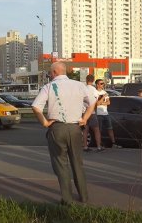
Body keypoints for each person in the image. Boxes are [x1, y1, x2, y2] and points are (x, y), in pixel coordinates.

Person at [31, 62, 95, 205]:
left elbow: (35, 107)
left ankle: (67, 200)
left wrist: (45, 122)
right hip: (75, 128)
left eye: (50, 72)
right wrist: (85, 119)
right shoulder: (79, 85)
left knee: (61, 164)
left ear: (54, 72)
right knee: (77, 163)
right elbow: (92, 103)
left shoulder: (48, 87)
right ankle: (84, 197)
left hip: (57, 128)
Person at [95, 79, 121, 148]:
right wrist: (103, 97)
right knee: (99, 130)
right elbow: (97, 104)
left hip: (105, 113)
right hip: (98, 114)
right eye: (101, 83)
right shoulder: (95, 92)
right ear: (97, 84)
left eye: (103, 83)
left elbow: (108, 102)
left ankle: (113, 143)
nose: (102, 85)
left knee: (110, 128)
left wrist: (102, 102)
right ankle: (99, 144)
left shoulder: (104, 92)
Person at [82, 74, 105, 152]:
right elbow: (96, 102)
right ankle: (99, 147)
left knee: (85, 130)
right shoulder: (94, 90)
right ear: (93, 80)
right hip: (92, 112)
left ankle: (85, 146)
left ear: (86, 80)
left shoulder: (83, 89)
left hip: (84, 112)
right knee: (96, 130)